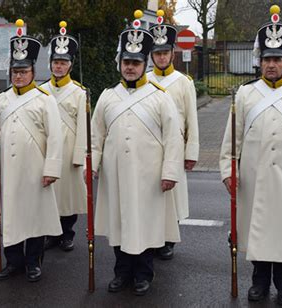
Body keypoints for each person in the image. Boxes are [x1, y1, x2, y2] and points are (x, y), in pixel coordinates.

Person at [219, 5, 282, 306]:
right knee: (257, 232)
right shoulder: (245, 95)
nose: (272, 64)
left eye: (277, 59)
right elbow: (231, 139)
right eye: (267, 59)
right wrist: (228, 170)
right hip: (253, 177)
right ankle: (259, 282)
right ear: (259, 61)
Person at [90, 10, 183, 296]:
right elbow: (96, 135)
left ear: (145, 64)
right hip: (115, 175)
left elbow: (173, 138)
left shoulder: (160, 97)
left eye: (136, 62)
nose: (130, 67)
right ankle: (121, 272)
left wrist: (170, 172)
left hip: (148, 176)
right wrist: (91, 166)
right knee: (119, 224)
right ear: (120, 64)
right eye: (126, 62)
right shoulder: (107, 96)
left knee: (144, 225)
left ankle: (143, 273)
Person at [0, 19, 63, 282]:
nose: (18, 75)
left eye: (23, 71)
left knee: (34, 217)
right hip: (6, 169)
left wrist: (51, 168)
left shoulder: (44, 100)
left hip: (34, 170)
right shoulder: (0, 99)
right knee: (10, 217)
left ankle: (33, 263)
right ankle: (13, 262)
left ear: (32, 72)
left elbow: (55, 137)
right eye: (15, 71)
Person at [147, 10, 200, 260]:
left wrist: (191, 153)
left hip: (175, 146)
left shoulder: (183, 82)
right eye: (157, 53)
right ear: (152, 55)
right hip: (148, 147)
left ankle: (169, 239)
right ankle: (154, 236)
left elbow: (192, 119)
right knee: (152, 193)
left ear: (172, 54)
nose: (161, 57)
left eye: (165, 52)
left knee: (172, 194)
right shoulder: (144, 80)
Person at [41, 21, 87, 252]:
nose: (59, 66)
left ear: (70, 65)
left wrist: (79, 155)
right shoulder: (41, 90)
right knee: (50, 194)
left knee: (68, 195)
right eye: (56, 62)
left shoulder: (79, 92)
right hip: (47, 150)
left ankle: (67, 233)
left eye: (63, 62)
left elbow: (82, 127)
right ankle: (51, 233)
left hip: (69, 151)